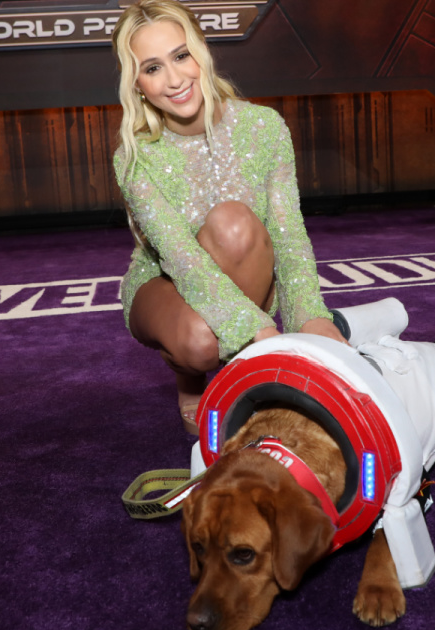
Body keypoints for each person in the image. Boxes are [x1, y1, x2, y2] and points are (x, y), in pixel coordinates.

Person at [111, 0, 346, 434]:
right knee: (200, 346)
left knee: (233, 223)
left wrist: (309, 318)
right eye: (153, 67)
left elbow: (289, 235)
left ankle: (239, 360)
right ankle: (190, 379)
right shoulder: (135, 156)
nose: (175, 79)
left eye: (181, 56)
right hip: (162, 282)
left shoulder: (264, 128)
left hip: (246, 267)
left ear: (201, 50)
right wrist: (262, 338)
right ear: (138, 84)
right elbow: (182, 259)